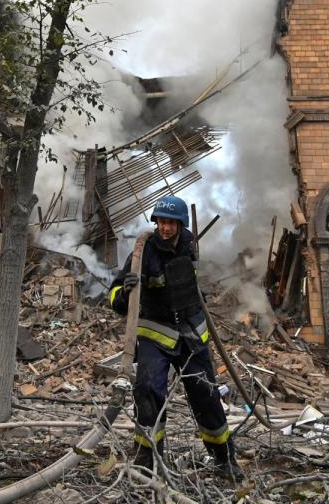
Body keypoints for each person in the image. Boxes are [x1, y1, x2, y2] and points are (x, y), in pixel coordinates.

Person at [108, 195, 244, 481]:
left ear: (181, 225)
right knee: (147, 390)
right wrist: (125, 291)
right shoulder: (143, 250)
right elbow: (116, 297)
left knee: (206, 396)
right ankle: (148, 459)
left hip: (192, 336)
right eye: (161, 222)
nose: (165, 228)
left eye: (171, 223)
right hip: (154, 334)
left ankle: (224, 458)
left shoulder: (189, 246)